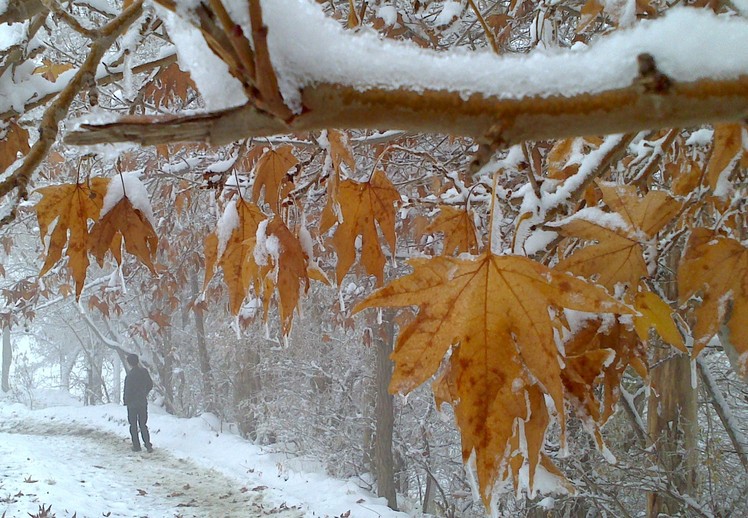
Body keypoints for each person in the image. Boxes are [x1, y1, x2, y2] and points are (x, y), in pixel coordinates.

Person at [123, 353, 153, 453]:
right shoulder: (144, 372)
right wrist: (144, 393)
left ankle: (136, 446)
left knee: (133, 425)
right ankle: (148, 444)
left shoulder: (129, 376)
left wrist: (126, 401)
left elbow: (127, 391)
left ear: (129, 363)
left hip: (132, 404)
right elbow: (150, 385)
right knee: (143, 424)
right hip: (142, 402)